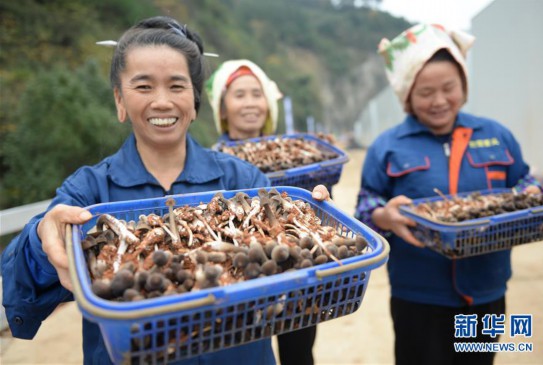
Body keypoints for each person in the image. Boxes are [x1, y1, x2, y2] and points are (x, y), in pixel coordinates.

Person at [1, 16, 330, 365]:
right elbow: (21, 282)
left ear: (195, 100)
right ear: (119, 101)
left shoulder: (244, 181)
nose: (161, 101)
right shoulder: (89, 190)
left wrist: (314, 222)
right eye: (143, 87)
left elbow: (292, 284)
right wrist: (40, 238)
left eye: (176, 86)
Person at [355, 23, 543, 365]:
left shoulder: (496, 134)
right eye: (425, 92)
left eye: (449, 88)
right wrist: (383, 216)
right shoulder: (387, 147)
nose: (439, 101)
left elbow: (524, 183)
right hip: (419, 295)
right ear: (406, 95)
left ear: (464, 86)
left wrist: (532, 193)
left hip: (486, 290)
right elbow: (366, 207)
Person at [206, 59, 317, 365]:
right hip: (246, 274)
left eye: (257, 94)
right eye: (239, 95)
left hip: (295, 273)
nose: (250, 103)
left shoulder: (295, 155)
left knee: (299, 352)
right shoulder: (211, 162)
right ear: (223, 108)